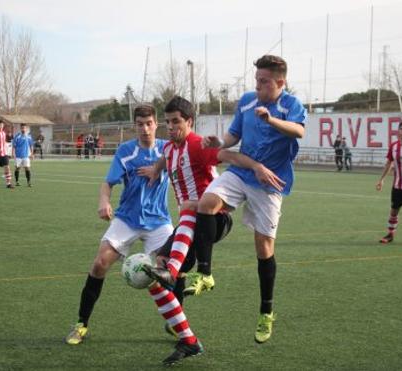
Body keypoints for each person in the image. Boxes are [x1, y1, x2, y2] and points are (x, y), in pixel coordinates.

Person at [64, 104, 203, 366]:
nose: (145, 128)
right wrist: (103, 202)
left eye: (149, 123)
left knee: (175, 270)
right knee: (99, 263)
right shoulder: (126, 151)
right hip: (127, 219)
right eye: (140, 124)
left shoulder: (168, 147)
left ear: (156, 124)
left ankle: (176, 324)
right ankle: (81, 324)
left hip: (159, 221)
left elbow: (190, 153)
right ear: (134, 125)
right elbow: (108, 183)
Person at [193, 55, 307, 344]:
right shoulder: (246, 100)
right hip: (242, 172)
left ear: (280, 82)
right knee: (206, 203)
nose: (258, 86)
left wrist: (272, 119)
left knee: (263, 248)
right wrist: (219, 142)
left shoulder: (290, 105)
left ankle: (266, 311)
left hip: (270, 183)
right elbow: (233, 136)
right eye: (256, 80)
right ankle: (205, 273)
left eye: (264, 82)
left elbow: (299, 131)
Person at [139, 96, 284, 298]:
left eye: (176, 121)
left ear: (189, 121)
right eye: (168, 122)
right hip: (188, 222)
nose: (170, 127)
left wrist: (256, 166)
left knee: (177, 253)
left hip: (214, 218)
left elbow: (229, 156)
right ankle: (178, 325)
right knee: (162, 259)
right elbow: (166, 157)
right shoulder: (169, 148)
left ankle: (183, 273)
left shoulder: (198, 145)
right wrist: (156, 169)